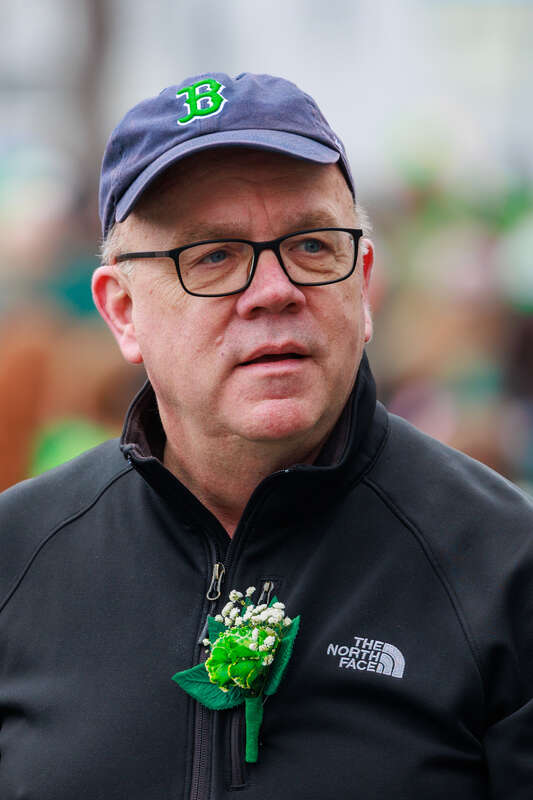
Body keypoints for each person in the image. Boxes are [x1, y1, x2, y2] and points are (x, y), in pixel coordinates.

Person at [1, 72, 532, 800]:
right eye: (212, 255)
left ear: (364, 283)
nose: (275, 289)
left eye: (312, 244)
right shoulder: (18, 558)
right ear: (122, 311)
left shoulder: (505, 566)